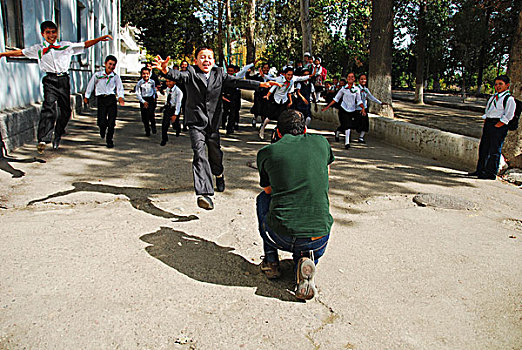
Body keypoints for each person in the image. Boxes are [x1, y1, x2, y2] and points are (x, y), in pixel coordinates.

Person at [153, 47, 281, 210]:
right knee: (199, 153)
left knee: (215, 153)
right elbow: (177, 75)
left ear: (213, 61)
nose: (206, 60)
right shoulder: (191, 73)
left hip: (213, 123)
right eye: (202, 57)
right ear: (196, 61)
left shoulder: (219, 73)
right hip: (196, 122)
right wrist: (165, 69)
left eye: (209, 57)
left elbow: (237, 81)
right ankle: (204, 193)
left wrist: (262, 84)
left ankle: (219, 174)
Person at [256, 109, 334, 300]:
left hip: (280, 236)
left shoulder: (267, 152)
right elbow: (326, 176)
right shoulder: (322, 143)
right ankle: (304, 259)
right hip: (319, 239)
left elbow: (268, 191)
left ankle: (271, 261)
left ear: (278, 133)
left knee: (263, 199)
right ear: (305, 129)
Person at [0, 20, 112, 153]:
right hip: (50, 80)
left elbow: (85, 45)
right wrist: (3, 54)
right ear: (43, 34)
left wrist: (99, 39)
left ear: (57, 33)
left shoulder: (66, 46)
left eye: (54, 32)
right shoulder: (39, 49)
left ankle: (58, 133)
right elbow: (21, 53)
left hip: (64, 80)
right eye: (48, 33)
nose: (51, 35)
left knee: (65, 111)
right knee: (49, 107)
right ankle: (43, 138)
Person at [469, 75, 516, 180]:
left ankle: (491, 173)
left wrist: (500, 123)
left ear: (507, 85)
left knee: (494, 149)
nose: (497, 86)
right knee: (484, 147)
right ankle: (480, 170)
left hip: (499, 125)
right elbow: (489, 110)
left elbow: (509, 114)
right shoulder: (493, 97)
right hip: (489, 123)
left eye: (500, 84)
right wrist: (486, 118)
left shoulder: (509, 99)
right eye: (496, 84)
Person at [83, 55, 125, 148]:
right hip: (101, 99)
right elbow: (90, 86)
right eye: (110, 64)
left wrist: (120, 97)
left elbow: (120, 88)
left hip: (111, 99)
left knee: (111, 121)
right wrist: (87, 96)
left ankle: (109, 139)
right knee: (102, 121)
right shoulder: (98, 75)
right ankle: (102, 129)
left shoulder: (115, 77)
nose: (111, 66)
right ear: (105, 64)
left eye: (113, 65)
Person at [260, 67, 311, 139]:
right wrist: (268, 95)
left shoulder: (292, 80)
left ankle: (279, 133)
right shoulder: (279, 79)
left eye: (291, 75)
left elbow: (291, 90)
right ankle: (262, 128)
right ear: (284, 74)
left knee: (283, 116)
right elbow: (272, 87)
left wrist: (290, 101)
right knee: (270, 117)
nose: (290, 77)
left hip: (284, 100)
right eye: (288, 75)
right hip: (276, 99)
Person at [322, 73, 365, 149]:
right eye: (349, 77)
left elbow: (359, 101)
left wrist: (363, 108)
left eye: (352, 77)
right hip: (343, 109)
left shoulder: (357, 89)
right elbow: (336, 99)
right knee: (347, 125)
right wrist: (328, 106)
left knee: (349, 125)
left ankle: (338, 132)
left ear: (354, 79)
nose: (350, 78)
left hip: (352, 110)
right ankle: (347, 143)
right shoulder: (343, 89)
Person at [355, 74, 387, 144]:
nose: (363, 80)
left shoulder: (366, 90)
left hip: (364, 108)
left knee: (365, 123)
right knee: (356, 124)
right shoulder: (356, 89)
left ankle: (361, 137)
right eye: (361, 79)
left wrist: (380, 103)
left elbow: (371, 97)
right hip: (357, 109)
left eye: (364, 79)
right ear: (358, 80)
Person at [160, 76, 183, 146]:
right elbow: (168, 98)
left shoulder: (178, 91)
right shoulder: (168, 89)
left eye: (170, 81)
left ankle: (178, 128)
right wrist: (164, 106)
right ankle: (164, 138)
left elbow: (178, 103)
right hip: (168, 108)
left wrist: (175, 114)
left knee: (175, 123)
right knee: (165, 124)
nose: (168, 83)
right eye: (166, 81)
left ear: (174, 82)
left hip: (175, 108)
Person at [136, 67, 158, 136]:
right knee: (144, 116)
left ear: (149, 74)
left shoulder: (152, 82)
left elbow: (154, 90)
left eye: (147, 74)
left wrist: (154, 97)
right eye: (144, 74)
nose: (145, 75)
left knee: (151, 114)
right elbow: (138, 93)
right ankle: (147, 129)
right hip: (143, 99)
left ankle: (153, 126)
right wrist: (143, 101)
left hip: (150, 99)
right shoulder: (139, 83)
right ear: (141, 74)